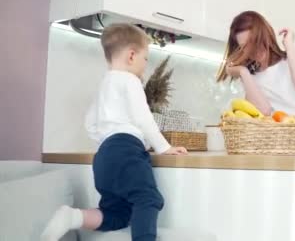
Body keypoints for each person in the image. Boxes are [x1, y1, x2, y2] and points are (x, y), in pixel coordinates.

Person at [41, 23, 187, 241]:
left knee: (118, 214)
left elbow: (90, 122)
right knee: (147, 199)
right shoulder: (130, 80)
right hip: (126, 150)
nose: (145, 65)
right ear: (131, 56)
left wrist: (108, 143)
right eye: (145, 59)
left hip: (104, 156)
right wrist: (163, 147)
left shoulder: (105, 83)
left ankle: (73, 217)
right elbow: (143, 117)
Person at [216, 10, 295, 117]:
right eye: (245, 47)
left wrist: (289, 43)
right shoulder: (251, 78)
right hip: (287, 130)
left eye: (255, 41)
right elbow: (264, 112)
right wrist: (243, 72)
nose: (253, 49)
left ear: (266, 35)